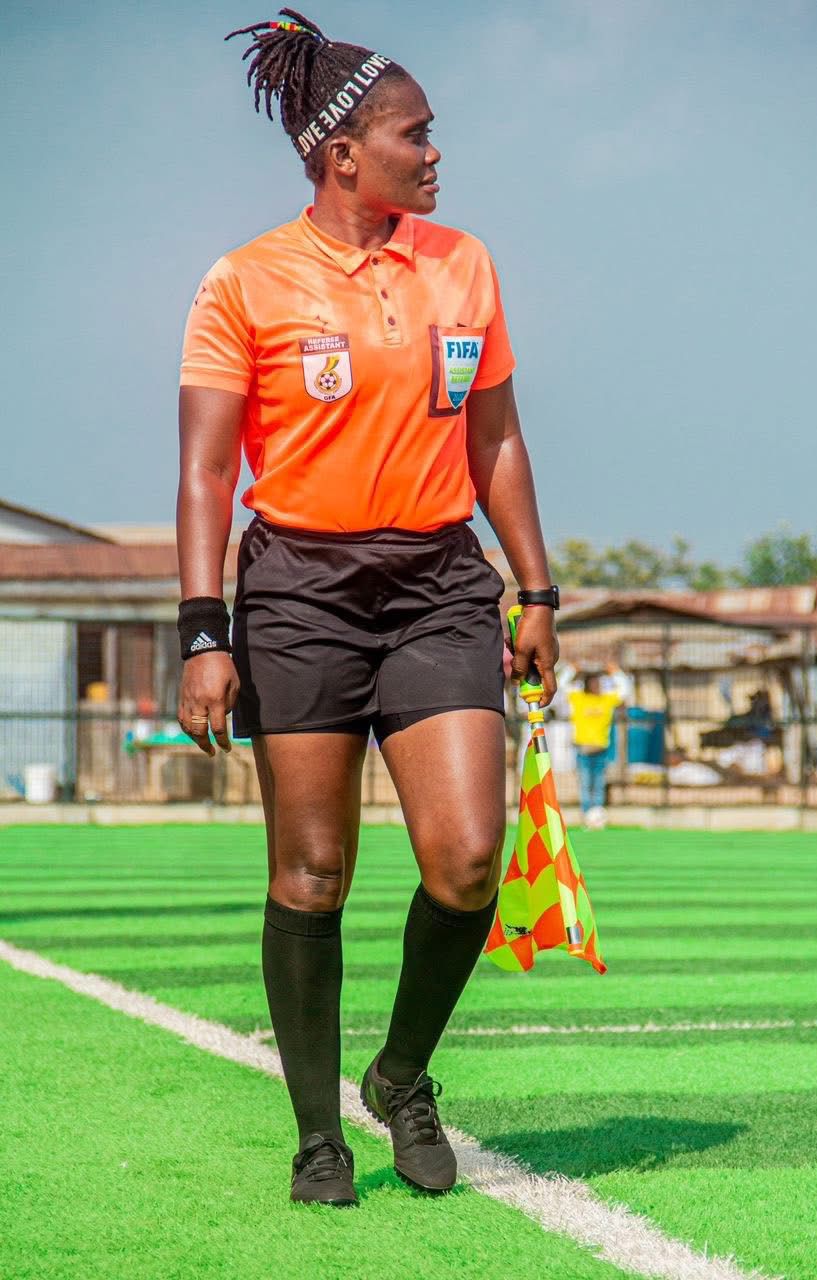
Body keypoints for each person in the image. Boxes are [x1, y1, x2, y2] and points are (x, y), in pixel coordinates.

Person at [175, 10, 559, 1209]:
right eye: (415, 133)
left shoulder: (465, 261)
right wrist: (203, 631)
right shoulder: (246, 279)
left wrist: (537, 584)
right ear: (343, 151)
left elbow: (493, 433)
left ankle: (400, 1073)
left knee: (465, 862)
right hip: (298, 590)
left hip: (442, 581)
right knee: (311, 875)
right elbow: (204, 472)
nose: (434, 151)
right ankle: (316, 1137)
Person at [567, 673, 621, 827]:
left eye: (599, 684)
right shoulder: (579, 699)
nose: (598, 686)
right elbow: (562, 685)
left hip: (601, 749)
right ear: (587, 685)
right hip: (583, 749)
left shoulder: (606, 700)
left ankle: (597, 819)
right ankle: (586, 818)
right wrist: (572, 670)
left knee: (599, 785)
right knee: (585, 784)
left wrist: (615, 672)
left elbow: (625, 690)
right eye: (594, 684)